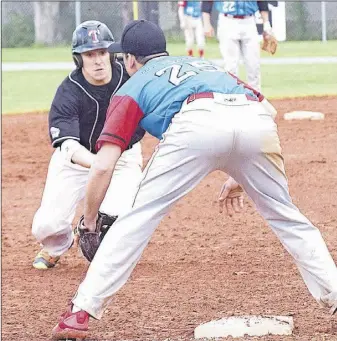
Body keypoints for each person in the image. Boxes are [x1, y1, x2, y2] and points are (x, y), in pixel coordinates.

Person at [51, 20, 337, 340]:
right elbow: (264, 108)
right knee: (288, 217)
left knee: (137, 218)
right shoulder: (205, 65)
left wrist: (89, 221)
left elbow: (103, 167)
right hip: (256, 118)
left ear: (130, 59)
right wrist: (242, 172)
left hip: (195, 123)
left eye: (122, 58)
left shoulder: (131, 86)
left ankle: (80, 312)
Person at [31, 20, 145, 270]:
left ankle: (99, 235)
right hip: (78, 161)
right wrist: (99, 164)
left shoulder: (131, 78)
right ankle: (58, 244)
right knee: (46, 226)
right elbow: (69, 147)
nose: (98, 60)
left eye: (103, 52)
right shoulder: (69, 91)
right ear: (78, 58)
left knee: (113, 219)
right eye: (89, 54)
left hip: (122, 159)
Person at [202, 1, 274, 91]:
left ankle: (255, 98)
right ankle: (233, 98)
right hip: (227, 21)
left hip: (249, 21)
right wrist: (206, 23)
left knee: (254, 65)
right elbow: (207, 2)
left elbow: (262, 3)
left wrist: (266, 25)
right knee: (230, 66)